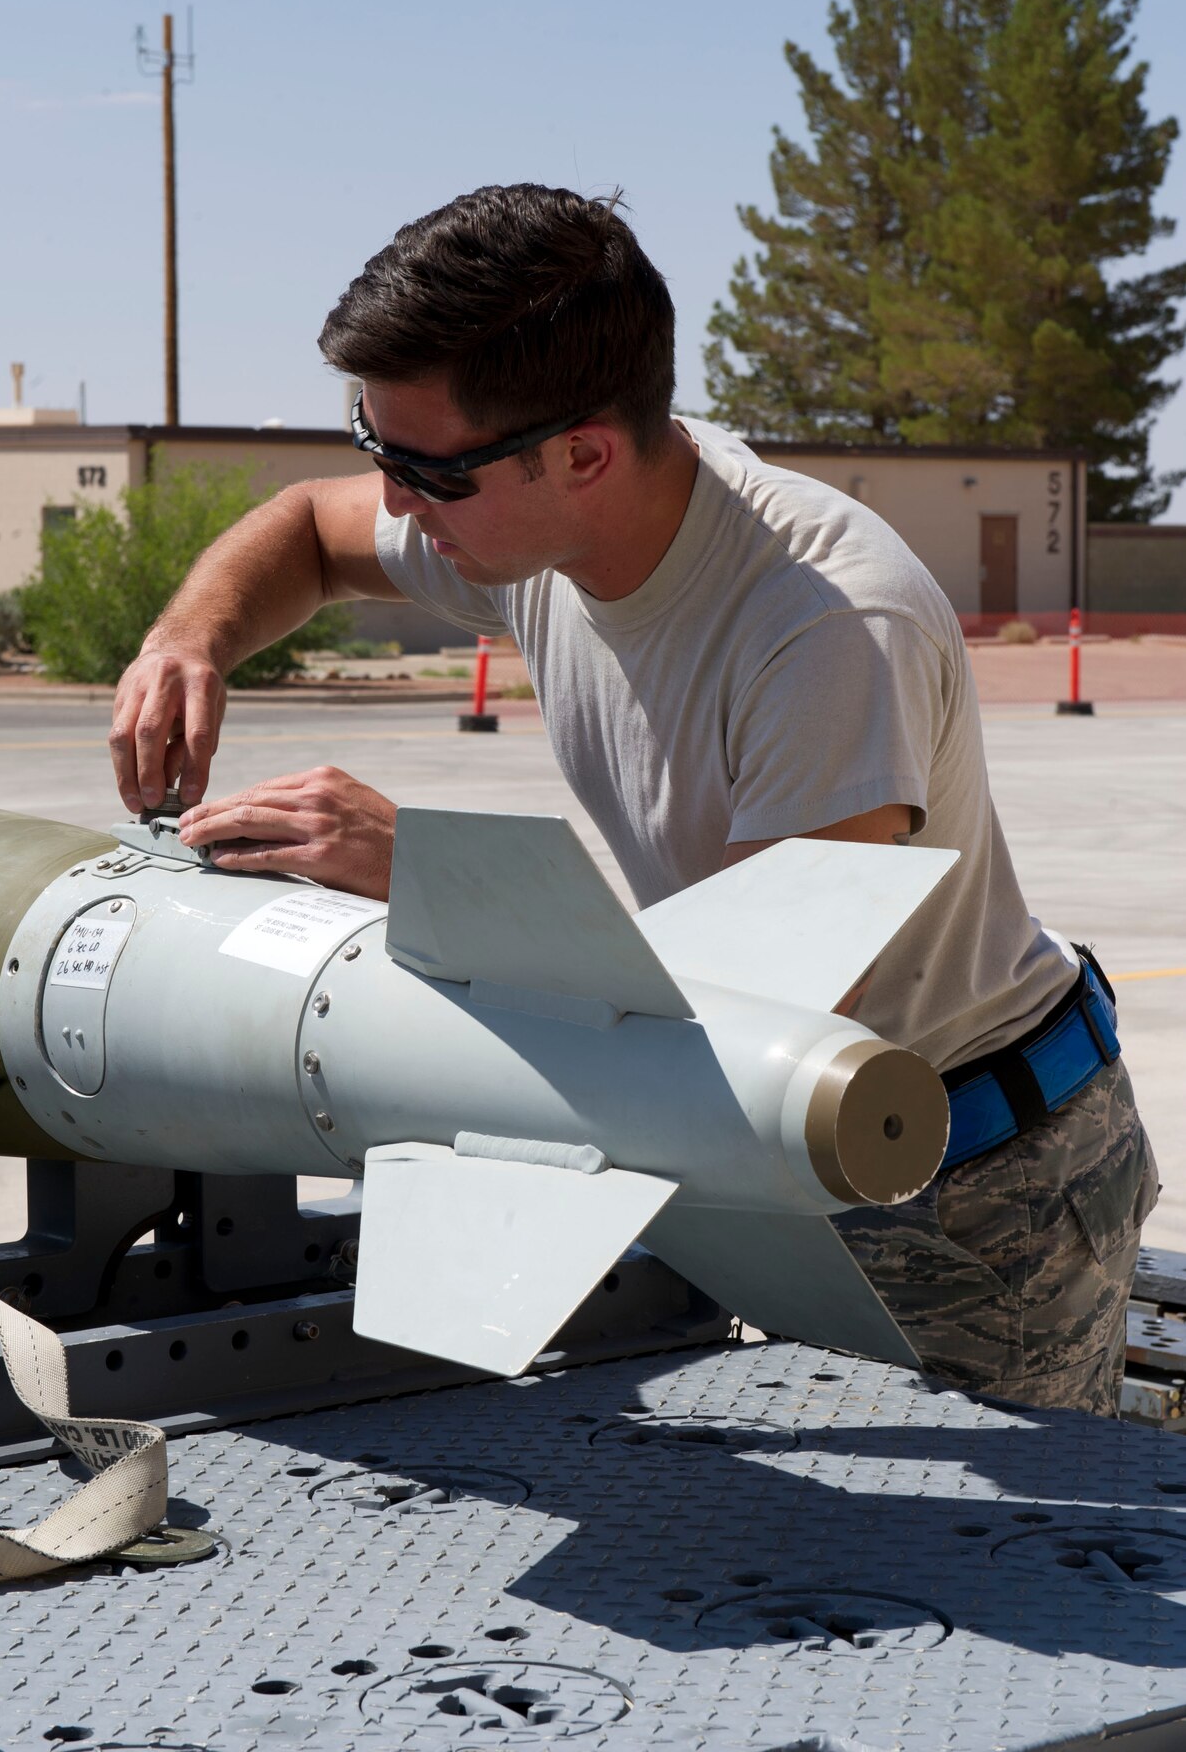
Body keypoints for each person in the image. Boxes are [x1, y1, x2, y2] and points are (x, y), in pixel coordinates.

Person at [110, 182, 1157, 1417]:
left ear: (584, 452)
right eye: (371, 447)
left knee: (987, 1582)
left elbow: (763, 1020)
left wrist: (433, 874)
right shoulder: (547, 520)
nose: (393, 500)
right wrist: (189, 641)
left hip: (967, 1184)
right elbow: (303, 527)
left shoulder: (824, 635)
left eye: (422, 469)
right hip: (783, 1168)